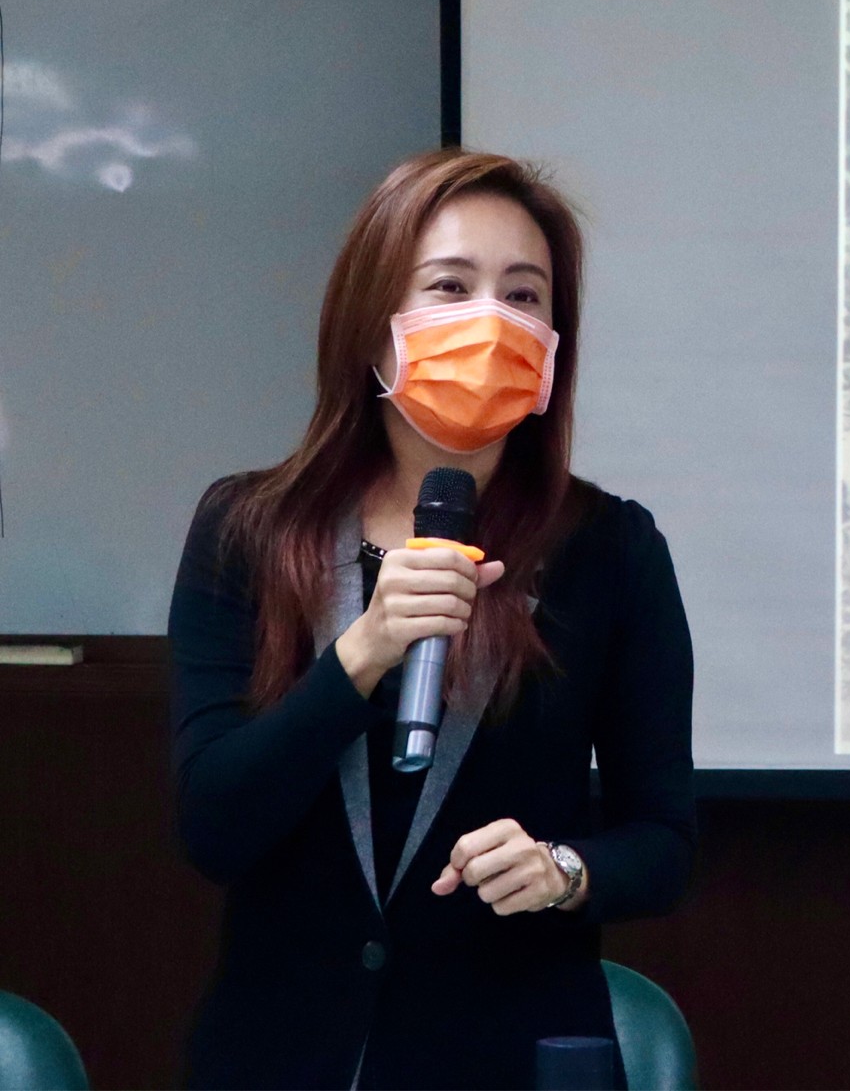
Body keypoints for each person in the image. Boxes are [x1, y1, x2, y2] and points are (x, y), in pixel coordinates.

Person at [167, 150, 696, 1090]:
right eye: (451, 286)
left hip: (507, 1051)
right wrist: (360, 655)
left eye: (525, 297)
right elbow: (215, 825)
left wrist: (564, 869)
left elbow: (663, 842)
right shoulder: (248, 529)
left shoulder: (612, 550)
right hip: (280, 1053)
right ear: (374, 321)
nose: (492, 321)